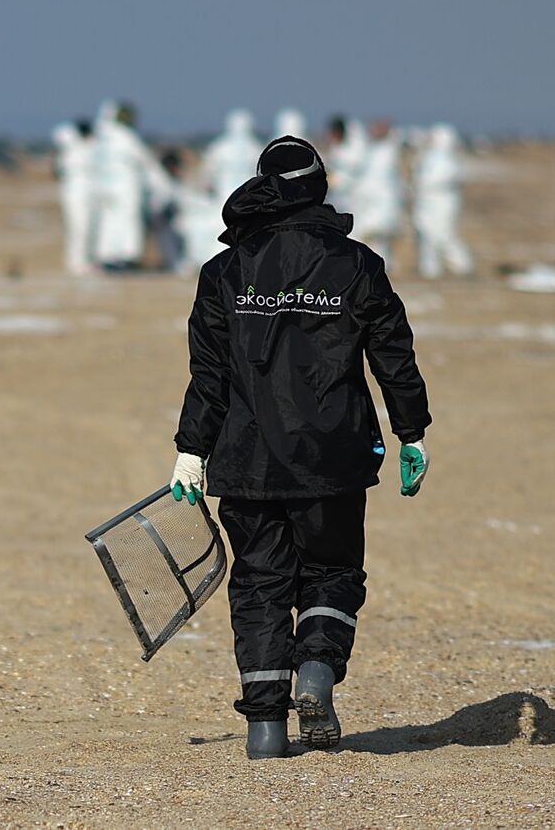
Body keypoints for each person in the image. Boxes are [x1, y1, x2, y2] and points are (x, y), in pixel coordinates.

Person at [170, 135, 432, 760]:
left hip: (244, 462)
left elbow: (209, 376)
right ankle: (316, 669)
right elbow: (393, 354)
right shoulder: (357, 265)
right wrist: (411, 431)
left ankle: (265, 730)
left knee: (260, 583)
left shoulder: (224, 272)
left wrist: (190, 450)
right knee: (333, 572)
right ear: (320, 187)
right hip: (335, 460)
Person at [90, 101, 172, 271]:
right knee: (129, 220)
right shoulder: (126, 137)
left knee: (109, 222)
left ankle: (109, 256)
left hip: (105, 186)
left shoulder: (101, 138)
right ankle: (128, 257)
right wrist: (163, 183)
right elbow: (145, 160)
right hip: (125, 185)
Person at [412, 124, 475, 279]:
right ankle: (429, 269)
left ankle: (463, 265)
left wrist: (422, 185)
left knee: (443, 235)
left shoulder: (448, 160)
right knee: (426, 235)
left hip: (442, 203)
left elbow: (438, 180)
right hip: (426, 203)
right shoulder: (428, 156)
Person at [349, 120, 402, 266]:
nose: (373, 131)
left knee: (375, 231)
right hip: (367, 200)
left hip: (382, 201)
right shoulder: (370, 150)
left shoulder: (389, 149)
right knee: (370, 236)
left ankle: (383, 265)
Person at [51, 120, 95, 276]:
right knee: (79, 227)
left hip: (81, 192)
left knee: (84, 228)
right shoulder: (73, 149)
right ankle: (76, 263)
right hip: (75, 193)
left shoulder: (74, 149)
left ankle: (82, 261)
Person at [324, 114, 368, 214]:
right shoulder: (335, 148)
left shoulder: (355, 147)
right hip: (340, 196)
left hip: (355, 194)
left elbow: (355, 168)